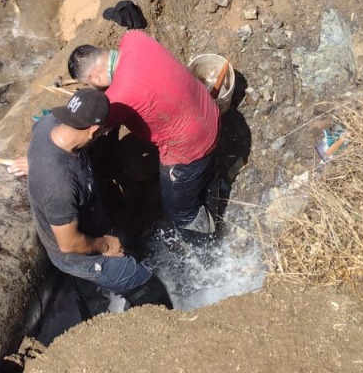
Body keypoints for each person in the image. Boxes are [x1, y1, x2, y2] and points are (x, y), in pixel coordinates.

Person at [24, 87, 173, 310]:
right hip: (78, 255)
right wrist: (106, 245)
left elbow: (39, 127)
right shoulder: (59, 184)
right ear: (93, 130)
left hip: (93, 224)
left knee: (126, 248)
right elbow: (69, 243)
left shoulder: (49, 124)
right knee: (153, 292)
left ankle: (99, 294)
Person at [68, 19, 220, 237]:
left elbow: (88, 129)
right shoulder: (135, 39)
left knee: (179, 209)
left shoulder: (117, 98)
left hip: (191, 150)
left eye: (88, 84)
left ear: (95, 77)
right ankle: (210, 183)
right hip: (209, 113)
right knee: (203, 176)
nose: (92, 88)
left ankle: (205, 247)